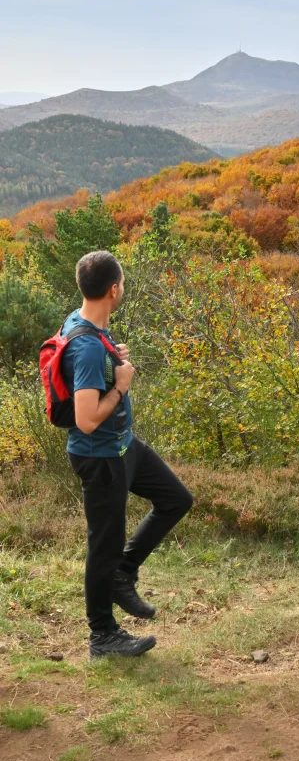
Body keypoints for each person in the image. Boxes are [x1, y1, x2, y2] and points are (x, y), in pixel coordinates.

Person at [61, 251, 193, 659]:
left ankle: (124, 573)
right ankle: (102, 636)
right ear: (114, 290)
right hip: (100, 457)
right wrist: (121, 384)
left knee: (176, 499)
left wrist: (110, 356)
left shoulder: (82, 323)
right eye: (124, 284)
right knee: (103, 544)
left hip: (123, 447)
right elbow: (85, 419)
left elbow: (84, 367)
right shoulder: (85, 347)